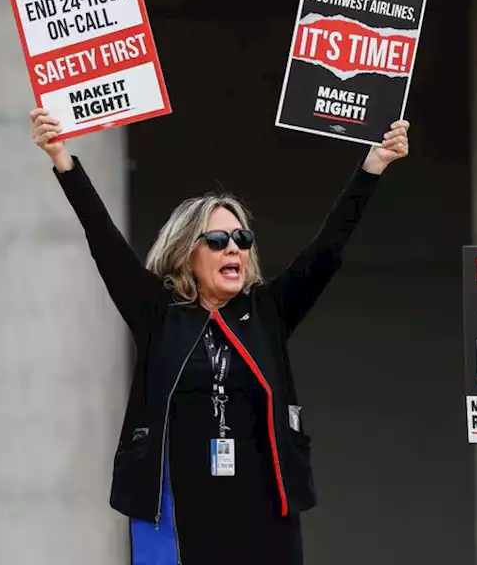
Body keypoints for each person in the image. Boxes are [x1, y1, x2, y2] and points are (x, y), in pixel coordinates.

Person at [29, 108, 409, 564]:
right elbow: (103, 238)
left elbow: (327, 248)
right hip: (178, 513)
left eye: (242, 239)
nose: (234, 248)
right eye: (218, 240)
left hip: (263, 515)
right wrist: (62, 158)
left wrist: (374, 165)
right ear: (187, 253)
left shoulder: (268, 310)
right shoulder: (158, 312)